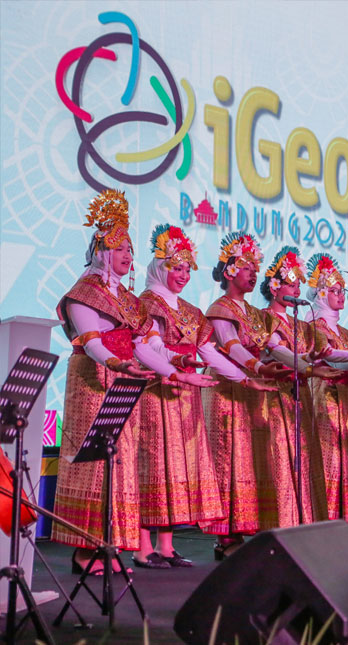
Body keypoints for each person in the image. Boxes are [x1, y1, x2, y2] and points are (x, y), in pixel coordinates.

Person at [53, 190, 156, 573]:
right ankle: (84, 551)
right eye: (119, 248)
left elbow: (143, 345)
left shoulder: (129, 299)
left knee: (120, 461)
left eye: (130, 248)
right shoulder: (84, 292)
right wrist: (119, 364)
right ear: (101, 250)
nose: (127, 255)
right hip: (92, 381)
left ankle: (108, 546)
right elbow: (92, 342)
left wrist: (174, 371)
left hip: (122, 379)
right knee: (93, 461)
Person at [134, 225, 228, 569]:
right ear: (160, 267)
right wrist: (179, 362)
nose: (184, 275)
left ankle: (167, 546)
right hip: (156, 393)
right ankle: (143, 548)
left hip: (185, 394)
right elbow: (153, 346)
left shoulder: (188, 310)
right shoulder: (146, 303)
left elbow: (208, 350)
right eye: (177, 268)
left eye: (188, 269)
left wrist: (243, 377)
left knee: (179, 469)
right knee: (155, 466)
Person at [203, 233, 288, 559]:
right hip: (229, 391)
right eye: (247, 267)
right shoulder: (220, 307)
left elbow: (271, 347)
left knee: (250, 461)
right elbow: (230, 346)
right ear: (229, 272)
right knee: (230, 461)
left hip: (254, 389)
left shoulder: (254, 312)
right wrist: (258, 367)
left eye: (256, 268)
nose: (253, 274)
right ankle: (225, 538)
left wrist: (303, 367)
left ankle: (245, 528)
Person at [259, 247, 331, 528]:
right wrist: (306, 366)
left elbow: (326, 353)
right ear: (274, 288)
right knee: (280, 460)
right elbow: (275, 350)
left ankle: (303, 522)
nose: (296, 288)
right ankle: (280, 524)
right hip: (274, 397)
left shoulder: (301, 323)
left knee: (303, 459)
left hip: (298, 397)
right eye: (290, 283)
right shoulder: (266, 318)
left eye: (298, 283)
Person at [304, 254, 348, 526]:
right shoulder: (313, 326)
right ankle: (324, 521)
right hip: (323, 395)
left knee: (347, 459)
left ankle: (342, 522)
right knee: (328, 458)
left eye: (342, 290)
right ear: (320, 293)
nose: (340, 295)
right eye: (333, 290)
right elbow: (331, 356)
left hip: (345, 398)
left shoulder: (345, 331)